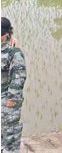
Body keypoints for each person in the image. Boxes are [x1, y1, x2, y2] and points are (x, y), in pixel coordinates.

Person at [1, 17, 27, 153]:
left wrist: (12, 97)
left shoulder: (13, 52)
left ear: (5, 34)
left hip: (7, 97)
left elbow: (19, 75)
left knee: (10, 127)